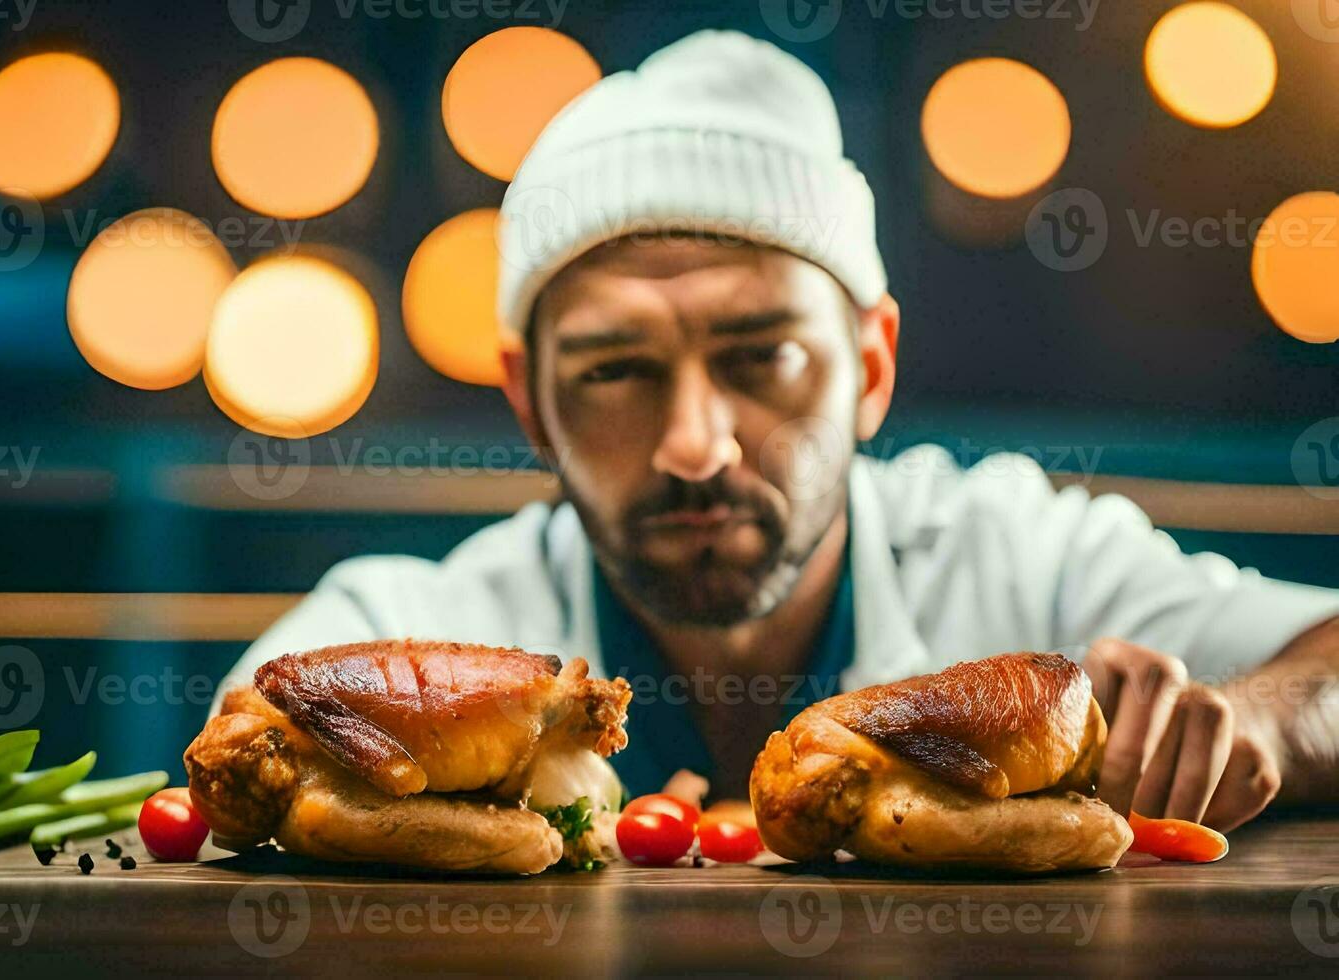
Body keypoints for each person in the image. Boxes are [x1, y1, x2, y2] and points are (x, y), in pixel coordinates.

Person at [218, 30, 1339, 828]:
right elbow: (252, 727)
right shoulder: (427, 620)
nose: (696, 443)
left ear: (869, 364)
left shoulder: (1020, 551)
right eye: (614, 369)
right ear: (529, 401)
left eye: (762, 358)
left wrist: (1261, 722)